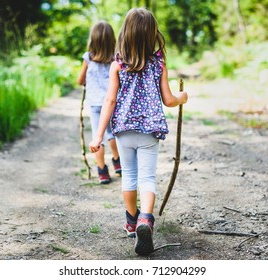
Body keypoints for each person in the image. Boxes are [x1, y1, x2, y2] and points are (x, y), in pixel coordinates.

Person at [89, 8, 188, 256]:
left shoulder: (118, 65)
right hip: (149, 130)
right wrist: (181, 97)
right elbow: (168, 100)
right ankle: (146, 219)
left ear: (126, 34)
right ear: (151, 34)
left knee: (129, 176)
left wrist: (99, 135)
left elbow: (109, 101)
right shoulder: (158, 64)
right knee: (147, 177)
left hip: (122, 130)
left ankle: (132, 222)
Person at [77, 21, 121, 184]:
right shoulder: (116, 59)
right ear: (112, 40)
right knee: (112, 133)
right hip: (112, 102)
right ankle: (117, 161)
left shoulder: (88, 58)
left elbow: (80, 80)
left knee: (98, 136)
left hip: (95, 104)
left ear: (92, 40)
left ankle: (102, 170)